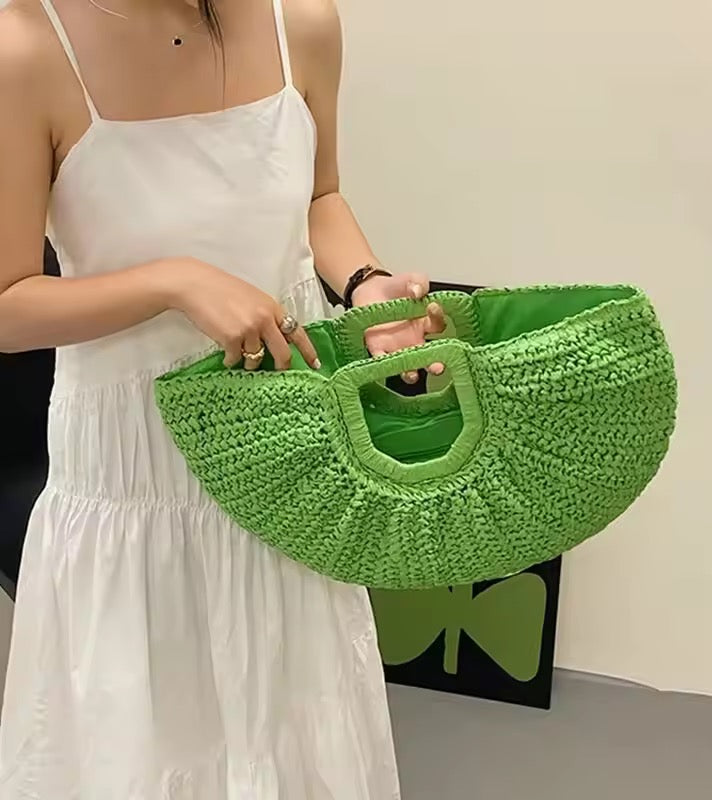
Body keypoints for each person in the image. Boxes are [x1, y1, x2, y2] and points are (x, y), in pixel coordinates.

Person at [0, 0, 444, 795]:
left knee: (294, 733)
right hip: (135, 476)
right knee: (143, 748)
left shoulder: (301, 21)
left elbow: (320, 198)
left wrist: (366, 287)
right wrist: (173, 282)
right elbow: (7, 304)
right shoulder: (25, 47)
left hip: (287, 458)